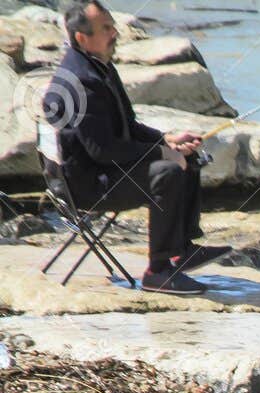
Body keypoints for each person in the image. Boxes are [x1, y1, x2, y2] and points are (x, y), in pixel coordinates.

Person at [43, 3, 230, 295]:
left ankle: (183, 248)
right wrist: (163, 155)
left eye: (112, 25)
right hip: (86, 185)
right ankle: (158, 271)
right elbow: (102, 151)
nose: (114, 32)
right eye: (106, 28)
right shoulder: (80, 82)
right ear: (82, 37)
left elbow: (127, 126)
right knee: (167, 171)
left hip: (104, 170)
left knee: (186, 157)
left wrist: (167, 141)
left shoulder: (97, 65)